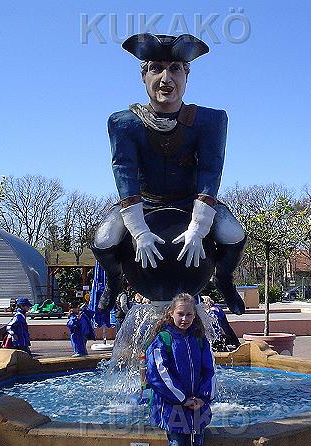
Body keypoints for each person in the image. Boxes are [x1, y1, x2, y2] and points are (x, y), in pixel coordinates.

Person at [91, 33, 247, 316]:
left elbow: (211, 170)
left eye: (175, 69)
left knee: (233, 233)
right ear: (144, 76)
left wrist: (198, 227)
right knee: (103, 239)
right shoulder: (124, 123)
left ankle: (224, 279)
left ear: (187, 75)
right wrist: (138, 230)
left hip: (190, 201)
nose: (166, 78)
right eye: (156, 68)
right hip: (144, 202)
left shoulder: (210, 120)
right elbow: (124, 172)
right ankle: (114, 282)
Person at [145, 293, 215, 446]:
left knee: (197, 445)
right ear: (171, 313)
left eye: (189, 314)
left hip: (197, 407)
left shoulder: (200, 338)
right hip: (172, 409)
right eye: (180, 314)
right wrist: (182, 399)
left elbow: (210, 370)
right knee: (176, 445)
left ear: (194, 315)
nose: (184, 319)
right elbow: (158, 374)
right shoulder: (163, 339)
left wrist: (203, 397)